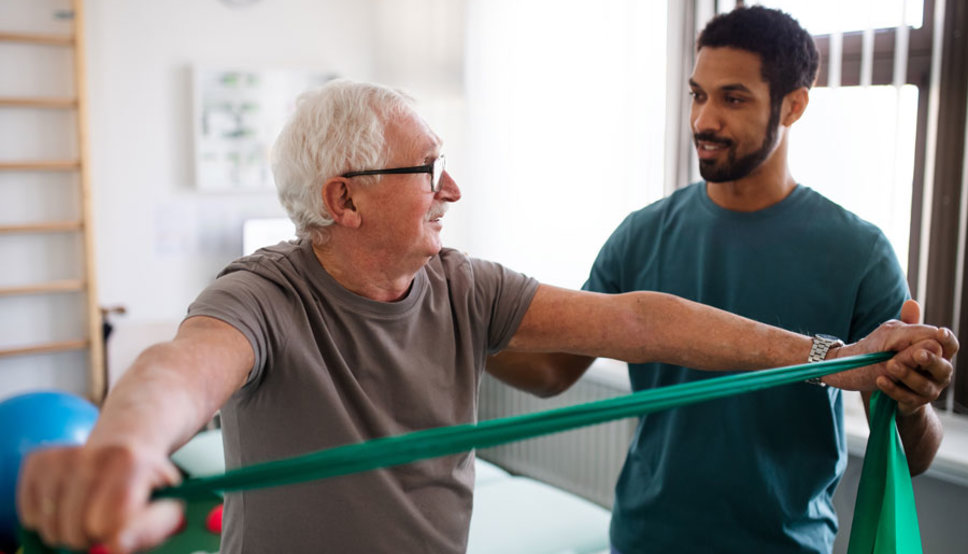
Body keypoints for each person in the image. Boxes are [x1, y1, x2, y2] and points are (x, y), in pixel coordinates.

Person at [17, 79, 955, 554]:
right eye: (427, 169)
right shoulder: (262, 295)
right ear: (343, 200)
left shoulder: (463, 285)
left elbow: (632, 322)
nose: (452, 188)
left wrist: (829, 356)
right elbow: (182, 371)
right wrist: (130, 445)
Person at [487, 6, 955, 554]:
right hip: (644, 540)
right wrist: (452, 324)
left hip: (786, 545)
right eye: (697, 95)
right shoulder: (641, 234)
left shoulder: (860, 252)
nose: (704, 121)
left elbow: (912, 455)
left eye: (733, 99)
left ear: (795, 105)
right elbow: (551, 369)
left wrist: (912, 399)